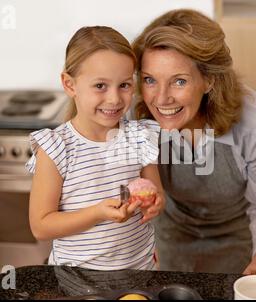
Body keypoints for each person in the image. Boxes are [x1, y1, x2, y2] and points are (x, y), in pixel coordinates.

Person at [131, 9, 256, 276]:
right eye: (149, 80)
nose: (161, 99)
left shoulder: (255, 123)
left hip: (235, 243)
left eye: (179, 81)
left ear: (209, 80)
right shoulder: (134, 113)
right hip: (168, 237)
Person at [26, 26, 164, 270]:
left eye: (124, 85)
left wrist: (154, 203)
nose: (114, 99)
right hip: (77, 279)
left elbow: (157, 194)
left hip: (141, 271)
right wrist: (97, 213)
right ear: (70, 85)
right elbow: (41, 226)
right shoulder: (56, 148)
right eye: (100, 86)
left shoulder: (140, 136)